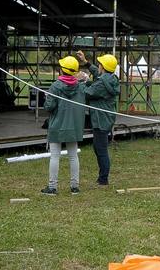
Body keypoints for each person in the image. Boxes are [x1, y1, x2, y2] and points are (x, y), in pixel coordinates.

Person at [41, 55, 86, 195]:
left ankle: (52, 187)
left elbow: (49, 107)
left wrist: (47, 98)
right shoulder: (80, 87)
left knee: (55, 156)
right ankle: (75, 187)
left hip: (57, 125)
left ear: (62, 70)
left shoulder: (56, 86)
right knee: (73, 156)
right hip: (74, 126)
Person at [84, 53, 121, 186]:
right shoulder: (111, 78)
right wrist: (86, 63)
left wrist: (81, 82)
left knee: (101, 149)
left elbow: (87, 93)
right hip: (106, 118)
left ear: (103, 67)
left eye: (99, 64)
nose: (98, 66)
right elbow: (98, 75)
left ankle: (103, 179)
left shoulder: (101, 83)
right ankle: (102, 177)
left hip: (101, 119)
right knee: (98, 147)